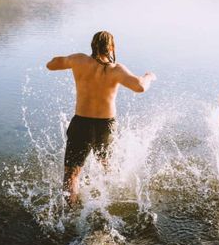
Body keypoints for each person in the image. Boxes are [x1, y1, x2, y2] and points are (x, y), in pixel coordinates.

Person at [46, 31, 156, 205]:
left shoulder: (79, 60)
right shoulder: (116, 69)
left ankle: (69, 213)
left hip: (81, 122)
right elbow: (140, 87)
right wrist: (149, 76)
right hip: (106, 126)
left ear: (92, 45)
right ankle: (111, 202)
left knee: (71, 174)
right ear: (111, 47)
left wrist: (64, 59)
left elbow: (50, 65)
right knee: (106, 164)